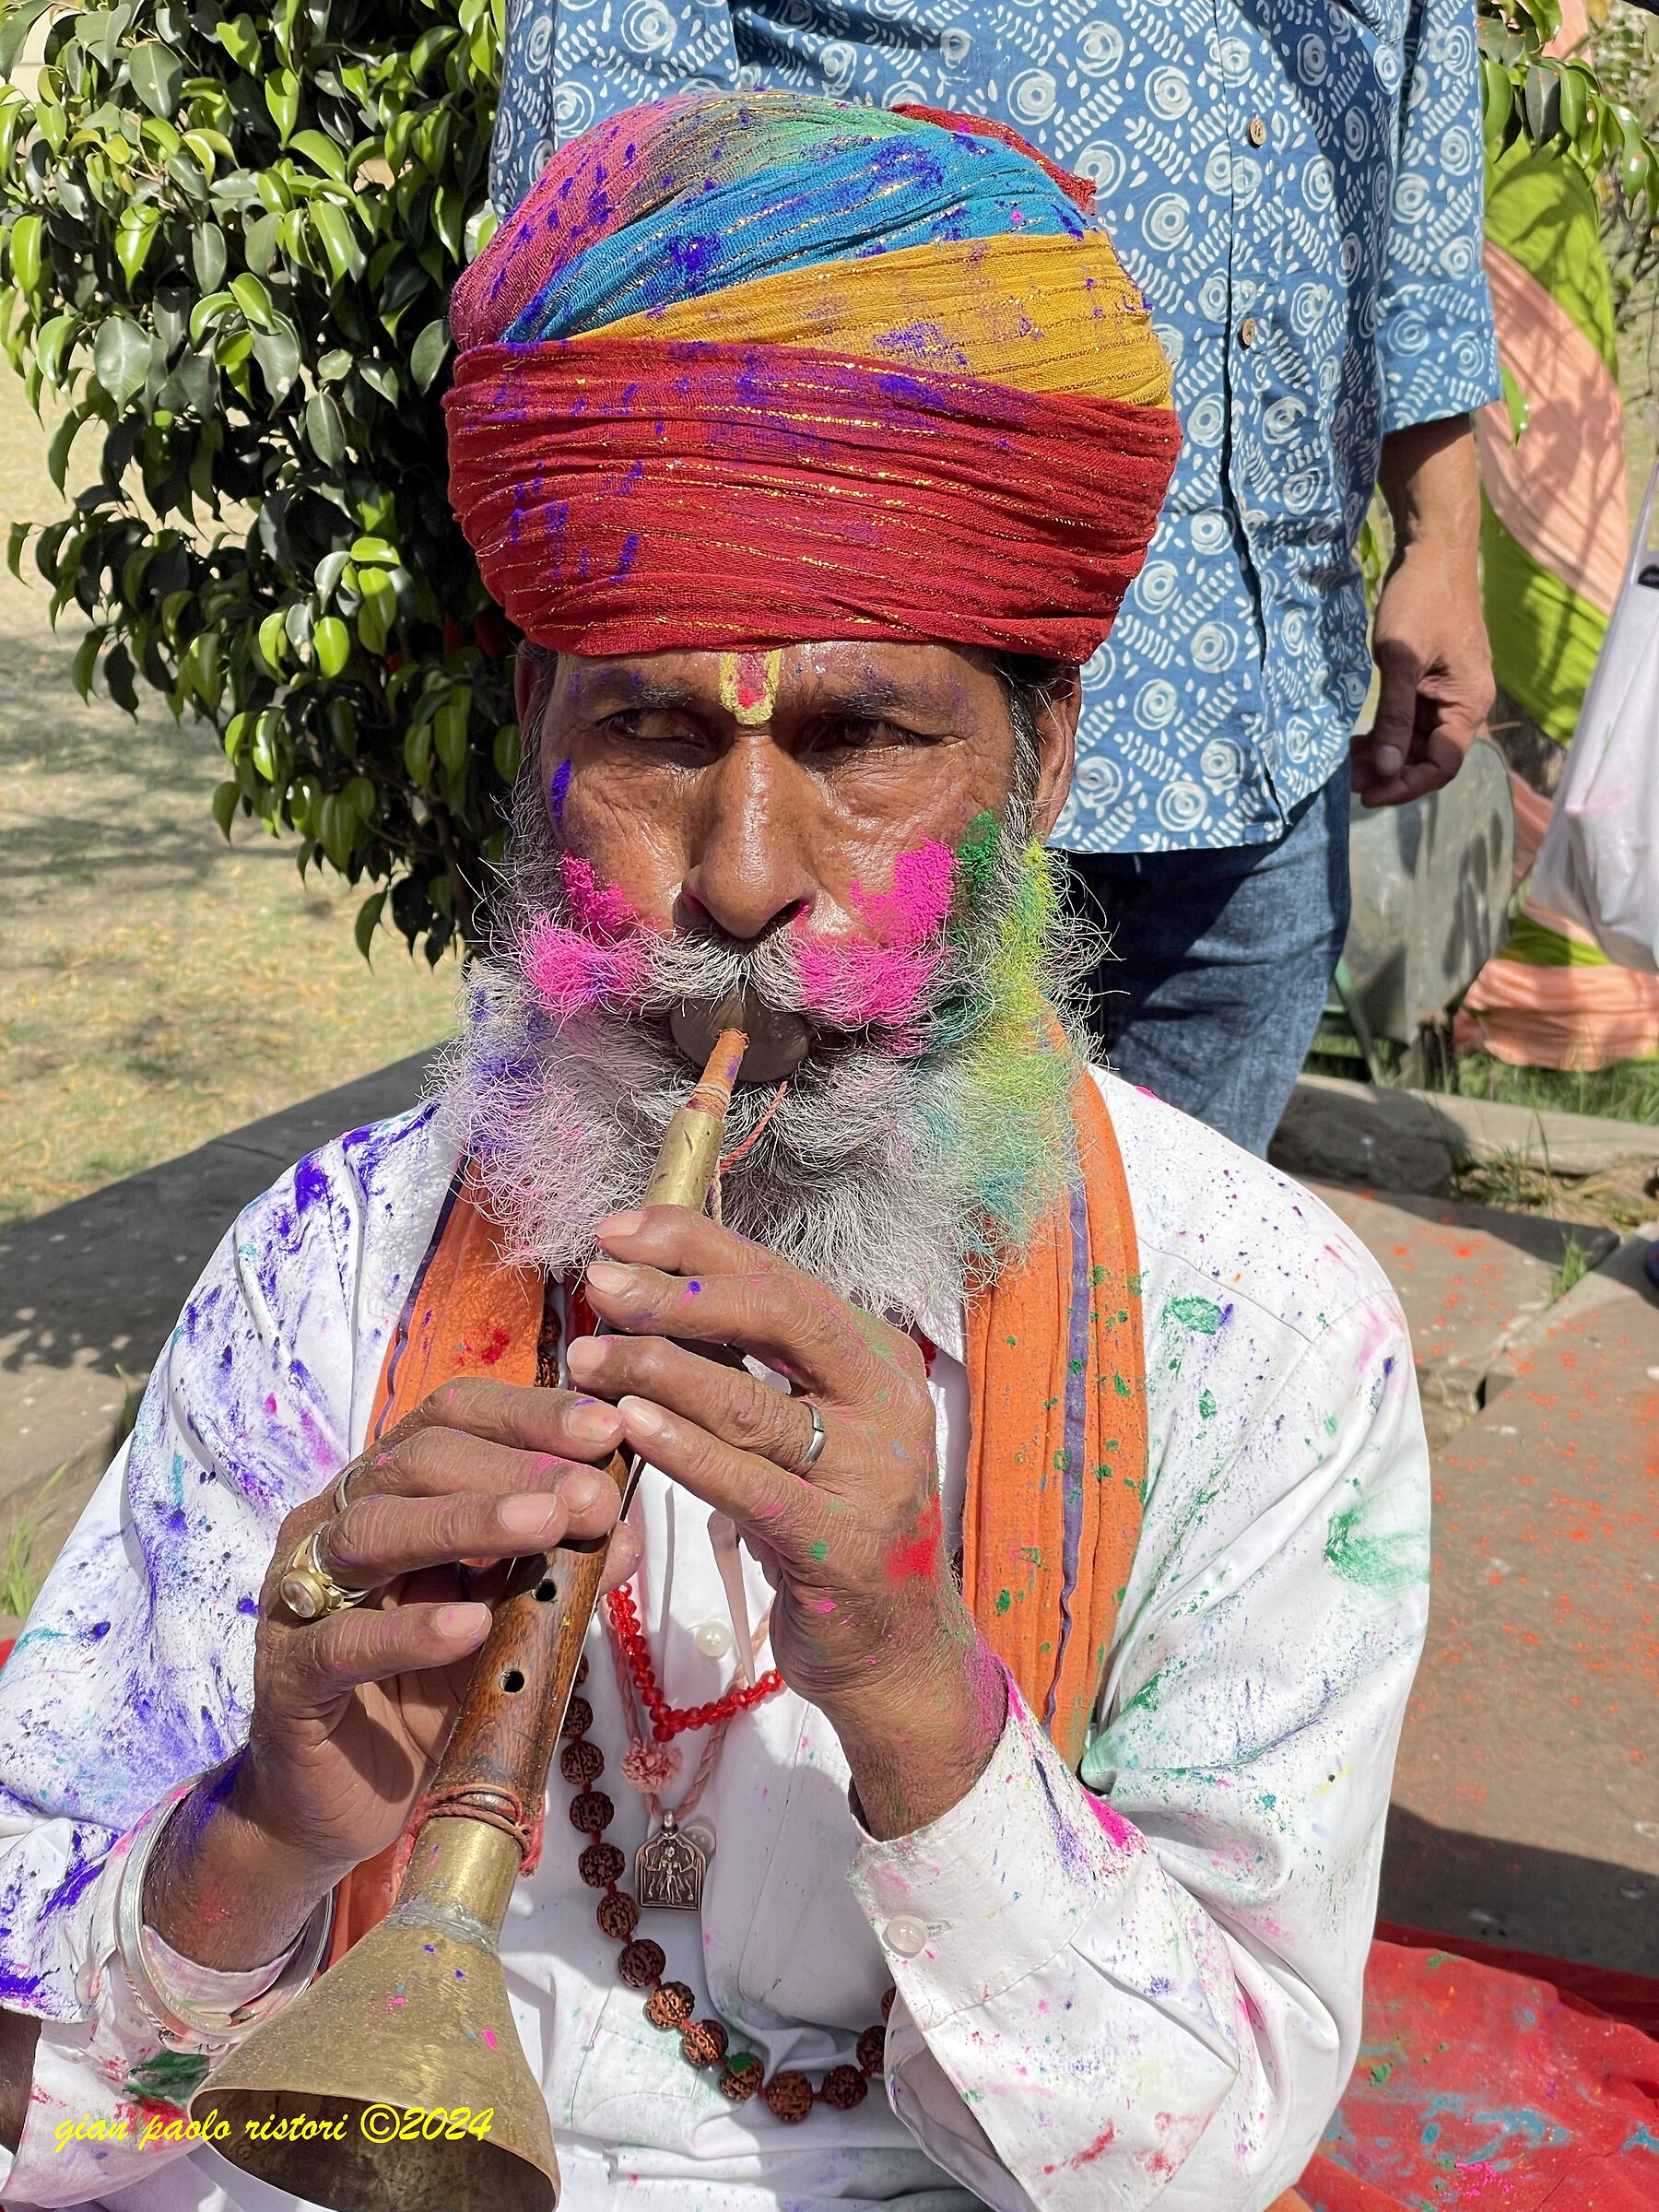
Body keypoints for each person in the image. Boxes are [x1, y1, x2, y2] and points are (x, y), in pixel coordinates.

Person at [0, 99, 1430, 2211]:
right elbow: (42, 2112)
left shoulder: (1268, 1328)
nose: (745, 880)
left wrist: (914, 1682)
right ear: (542, 744)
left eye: (860, 739)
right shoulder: (336, 1261)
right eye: (657, 733)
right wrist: (267, 1818)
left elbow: (1202, 2154)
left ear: (1044, 758)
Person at [492, 0, 1501, 1156]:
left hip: (1264, 715)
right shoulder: (745, 859)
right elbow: (598, 233)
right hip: (843, 730)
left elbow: (1419, 205)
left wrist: (1440, 534)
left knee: (1162, 1282)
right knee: (777, 1278)